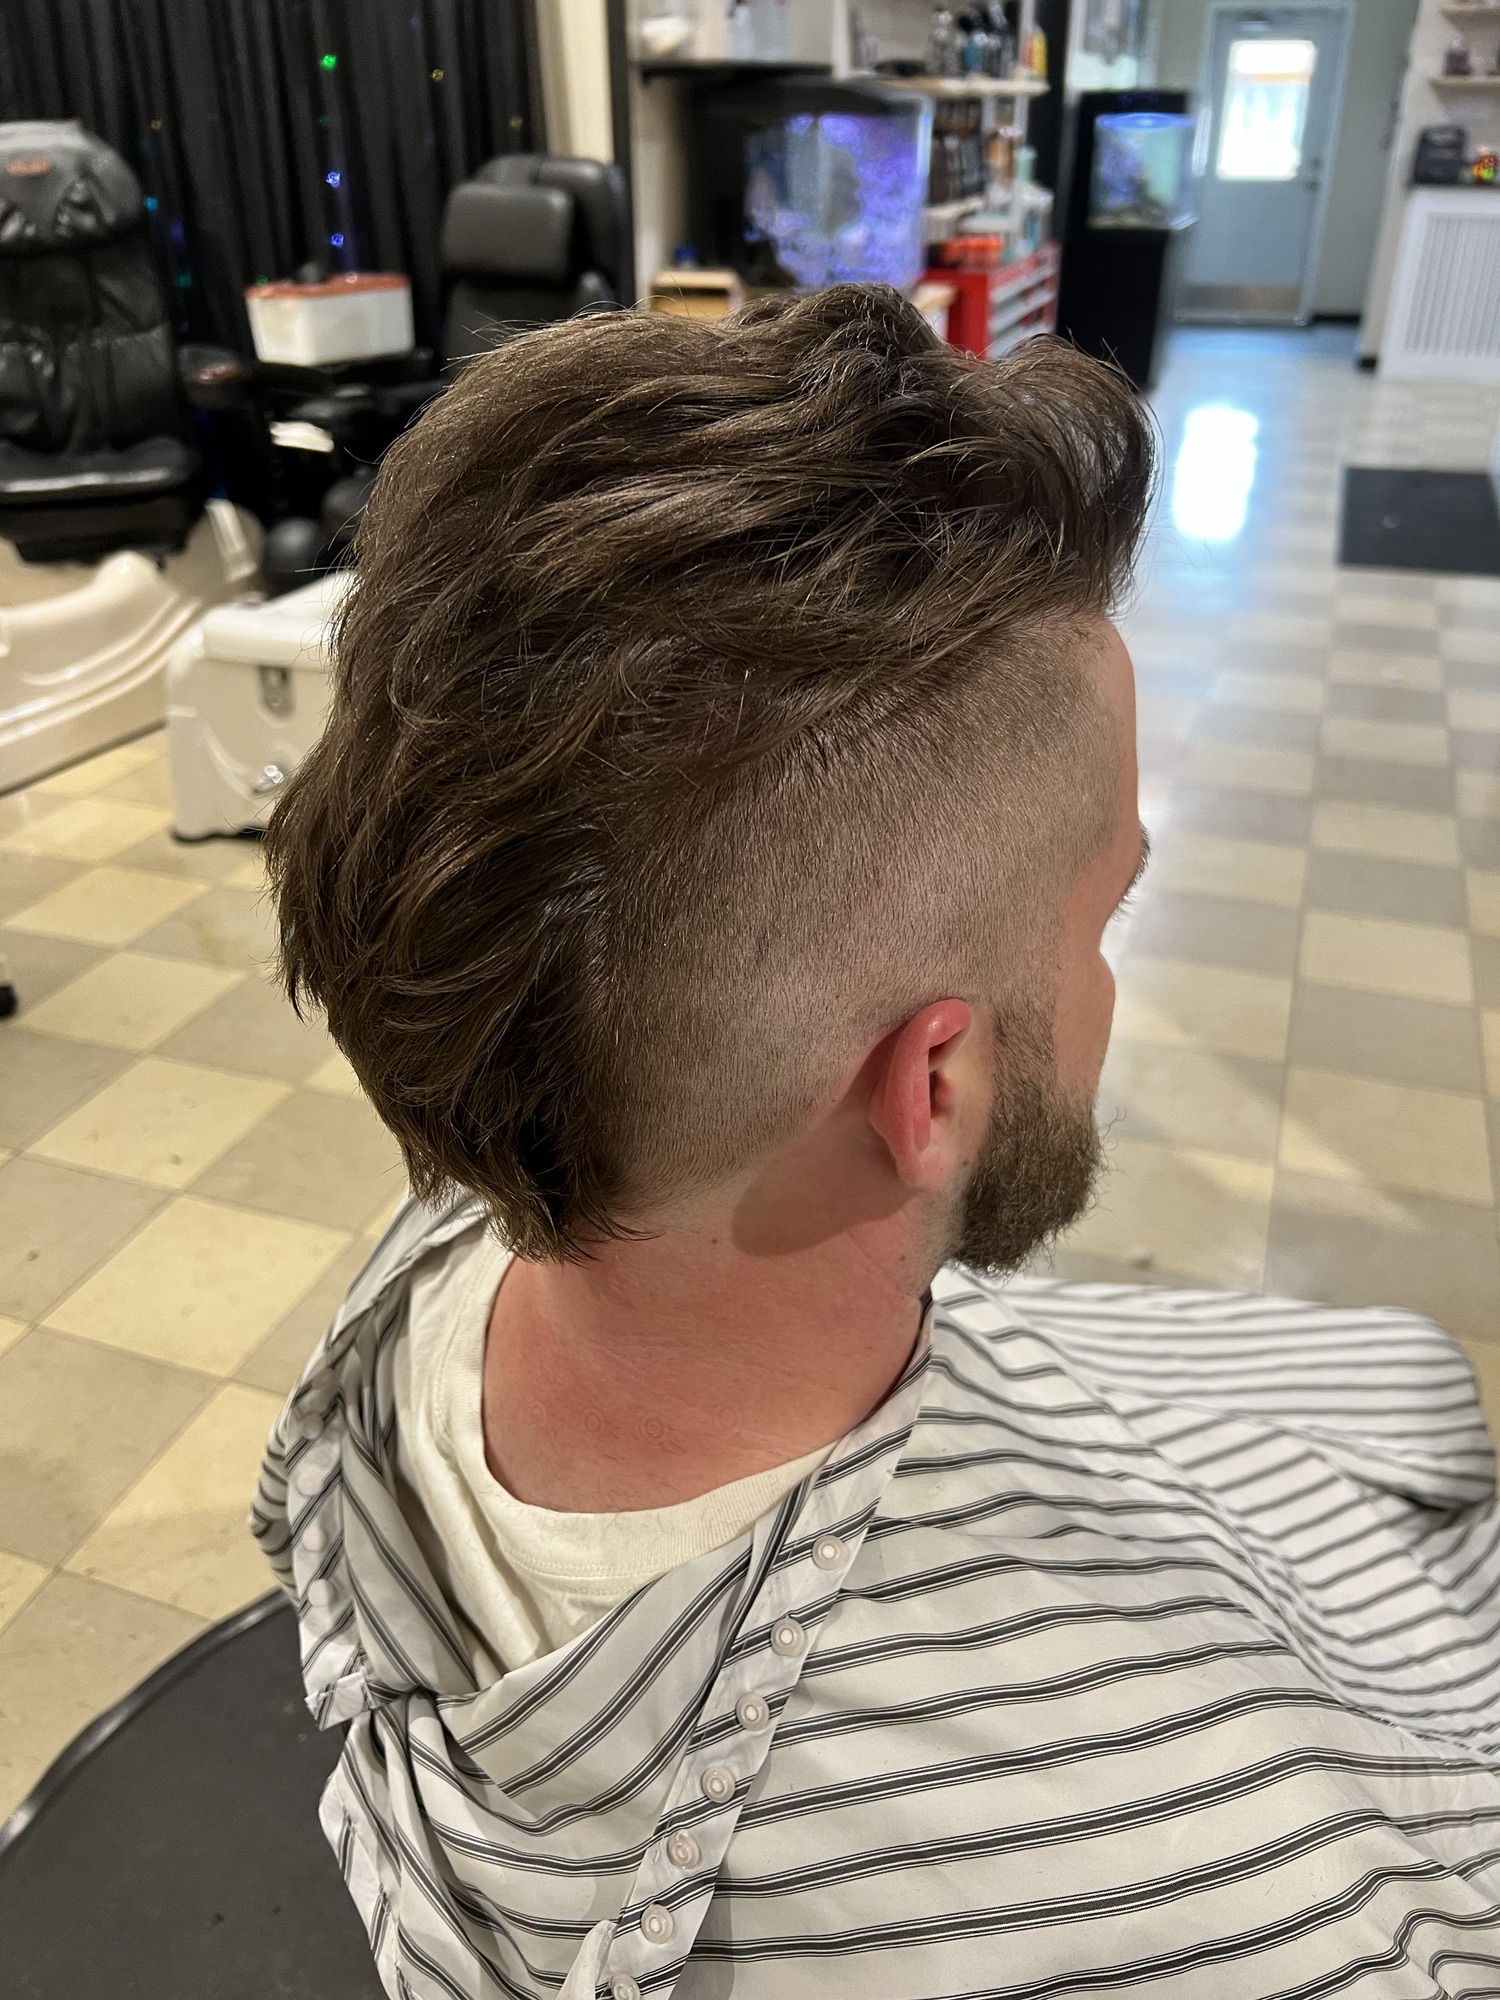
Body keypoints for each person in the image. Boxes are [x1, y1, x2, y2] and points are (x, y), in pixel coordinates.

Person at [252, 287, 1500, 2000]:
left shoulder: (431, 1270)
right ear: (932, 1088)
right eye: (1103, 921)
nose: (1107, 981)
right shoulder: (1273, 1902)